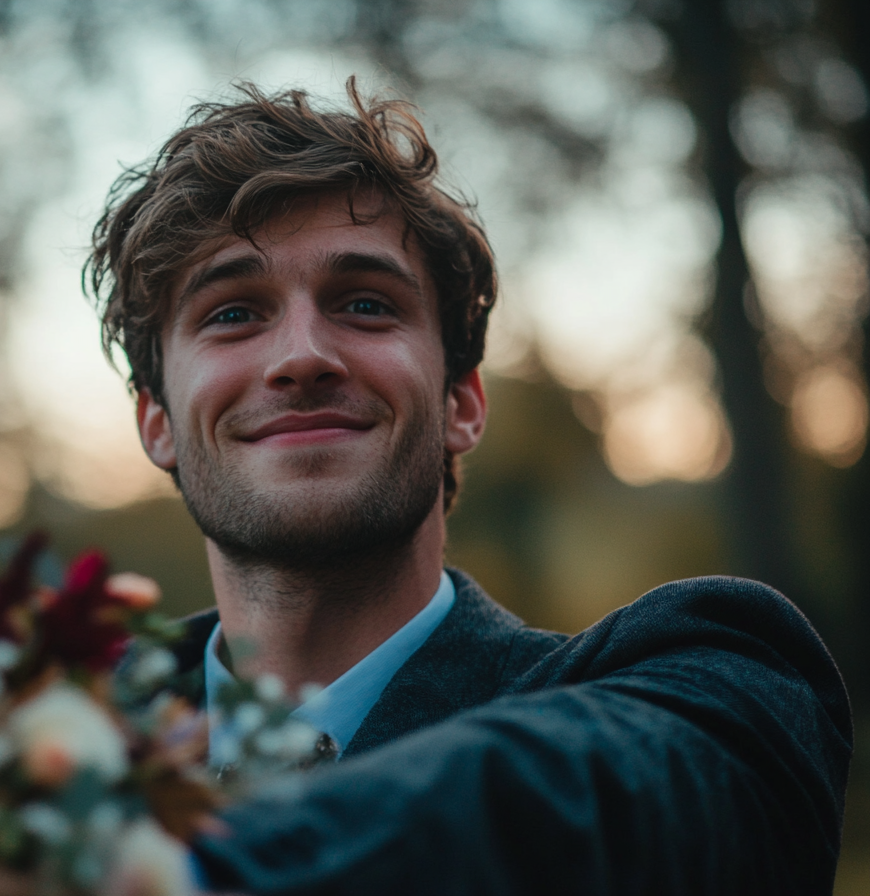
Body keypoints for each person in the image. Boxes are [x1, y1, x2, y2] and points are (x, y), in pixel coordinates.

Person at [87, 80, 851, 894]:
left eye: (366, 303)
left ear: (462, 404)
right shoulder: (31, 724)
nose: (302, 355)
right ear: (156, 420)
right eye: (234, 313)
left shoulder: (703, 694)